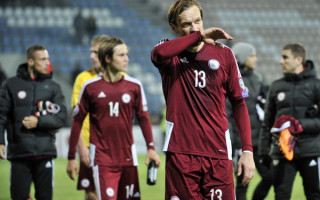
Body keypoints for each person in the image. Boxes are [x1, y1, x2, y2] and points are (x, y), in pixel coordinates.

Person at [150, 0, 255, 199]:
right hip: (181, 153)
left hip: (218, 152)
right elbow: (157, 53)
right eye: (187, 24)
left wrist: (247, 151)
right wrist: (199, 36)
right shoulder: (169, 53)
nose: (194, 28)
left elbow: (239, 104)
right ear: (174, 27)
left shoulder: (224, 54)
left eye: (198, 21)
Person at [67, 37, 161, 200]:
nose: (127, 59)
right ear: (108, 59)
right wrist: (70, 157)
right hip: (102, 160)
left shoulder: (134, 86)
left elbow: (143, 118)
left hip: (128, 159)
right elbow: (77, 121)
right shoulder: (90, 87)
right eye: (121, 55)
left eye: (126, 54)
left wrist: (151, 148)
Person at [0, 45, 67, 200]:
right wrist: (0, 141)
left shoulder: (53, 88)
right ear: (30, 61)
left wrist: (39, 121)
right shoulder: (11, 85)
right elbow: (1, 115)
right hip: (20, 153)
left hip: (45, 153)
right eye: (42, 59)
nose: (47, 63)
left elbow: (61, 117)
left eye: (47, 59)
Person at [259, 43, 320, 200]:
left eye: (285, 57)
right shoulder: (276, 86)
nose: (281, 61)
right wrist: (263, 151)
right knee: (281, 196)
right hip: (282, 152)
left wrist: (300, 125)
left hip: (311, 151)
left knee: (314, 195)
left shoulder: (316, 85)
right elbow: (267, 122)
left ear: (299, 59)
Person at [227, 42, 272, 200]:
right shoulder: (231, 78)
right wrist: (235, 144)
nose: (256, 59)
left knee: (270, 177)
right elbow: (229, 115)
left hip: (258, 141)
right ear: (242, 57)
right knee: (242, 183)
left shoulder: (258, 78)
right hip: (241, 143)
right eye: (252, 56)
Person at [70, 34, 110, 200]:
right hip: (89, 145)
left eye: (95, 52)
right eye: (91, 52)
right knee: (91, 192)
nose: (91, 56)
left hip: (113, 146)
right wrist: (81, 147)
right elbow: (76, 117)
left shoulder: (120, 77)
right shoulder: (83, 78)